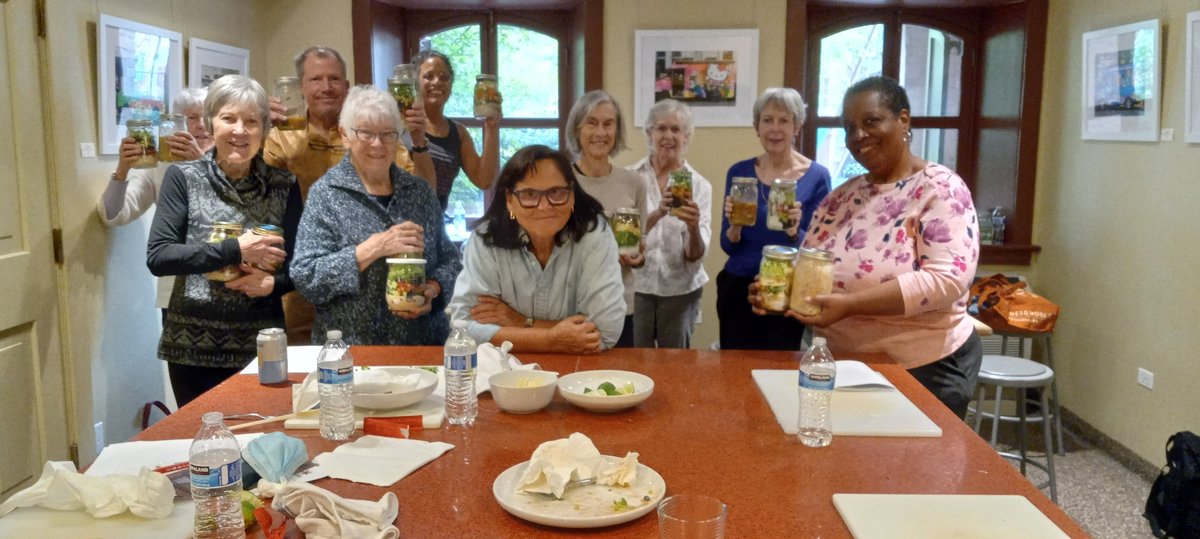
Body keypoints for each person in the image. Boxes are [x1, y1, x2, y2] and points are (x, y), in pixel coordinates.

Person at [759, 76, 981, 416]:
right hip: (842, 366)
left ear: (903, 120)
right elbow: (810, 263)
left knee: (914, 469)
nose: (858, 135)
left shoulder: (941, 188)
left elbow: (947, 280)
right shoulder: (843, 197)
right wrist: (779, 290)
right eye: (849, 128)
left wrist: (850, 304)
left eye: (871, 121)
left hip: (922, 368)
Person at [263, 46, 435, 344]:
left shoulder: (381, 136)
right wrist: (256, 123)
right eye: (316, 79)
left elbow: (422, 195)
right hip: (301, 285)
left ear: (346, 84)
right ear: (301, 86)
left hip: (409, 328)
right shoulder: (282, 137)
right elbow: (255, 191)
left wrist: (433, 287)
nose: (326, 87)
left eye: (334, 79)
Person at [146, 75, 301, 406]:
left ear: (265, 128)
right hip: (193, 350)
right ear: (210, 123)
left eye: (251, 121)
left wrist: (273, 283)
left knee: (264, 441)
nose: (240, 131)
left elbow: (303, 264)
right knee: (206, 446)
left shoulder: (284, 185)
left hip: (263, 347)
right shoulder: (183, 177)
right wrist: (235, 249)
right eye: (228, 118)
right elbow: (159, 257)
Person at [291, 86, 462, 345]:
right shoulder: (326, 195)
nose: (378, 144)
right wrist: (372, 248)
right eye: (366, 133)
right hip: (351, 354)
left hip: (423, 348)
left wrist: (433, 290)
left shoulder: (419, 192)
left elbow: (450, 260)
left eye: (387, 134)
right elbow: (306, 276)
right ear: (345, 135)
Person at [447, 145, 625, 353]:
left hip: (579, 372)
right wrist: (550, 339)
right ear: (510, 201)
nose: (544, 206)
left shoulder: (595, 235)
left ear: (572, 196)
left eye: (556, 193)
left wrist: (518, 321)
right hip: (505, 372)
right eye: (529, 194)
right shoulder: (486, 239)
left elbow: (604, 331)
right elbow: (463, 328)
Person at [719, 88, 831, 351]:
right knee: (734, 371)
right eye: (767, 120)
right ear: (757, 127)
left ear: (797, 126)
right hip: (738, 286)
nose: (775, 128)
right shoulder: (740, 172)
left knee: (780, 370)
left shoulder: (817, 176)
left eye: (784, 120)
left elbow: (817, 249)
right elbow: (729, 247)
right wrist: (734, 224)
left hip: (788, 289)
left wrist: (794, 231)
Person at [99, 87, 212, 310]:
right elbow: (113, 215)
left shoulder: (233, 162)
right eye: (192, 118)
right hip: (175, 286)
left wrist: (201, 163)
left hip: (223, 282)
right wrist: (123, 169)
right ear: (178, 124)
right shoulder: (161, 165)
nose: (201, 124)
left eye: (207, 117)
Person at [564, 90, 646, 347]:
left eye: (608, 124)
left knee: (618, 382)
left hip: (619, 306)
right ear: (577, 129)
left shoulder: (634, 183)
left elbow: (640, 246)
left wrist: (638, 258)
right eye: (592, 122)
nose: (601, 132)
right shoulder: (561, 181)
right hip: (570, 306)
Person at [628, 100, 711, 349]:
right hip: (636, 288)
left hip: (681, 290)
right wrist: (658, 213)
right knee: (634, 363)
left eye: (676, 130)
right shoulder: (631, 178)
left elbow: (695, 256)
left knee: (675, 367)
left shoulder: (699, 186)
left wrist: (694, 227)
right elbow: (625, 240)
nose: (668, 136)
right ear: (649, 134)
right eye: (661, 128)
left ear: (686, 137)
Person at [416, 50, 501, 210]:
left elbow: (484, 180)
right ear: (416, 82)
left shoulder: (458, 133)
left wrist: (492, 126)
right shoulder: (404, 126)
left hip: (436, 225)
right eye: (429, 76)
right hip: (400, 225)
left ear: (450, 84)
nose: (437, 82)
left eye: (444, 77)